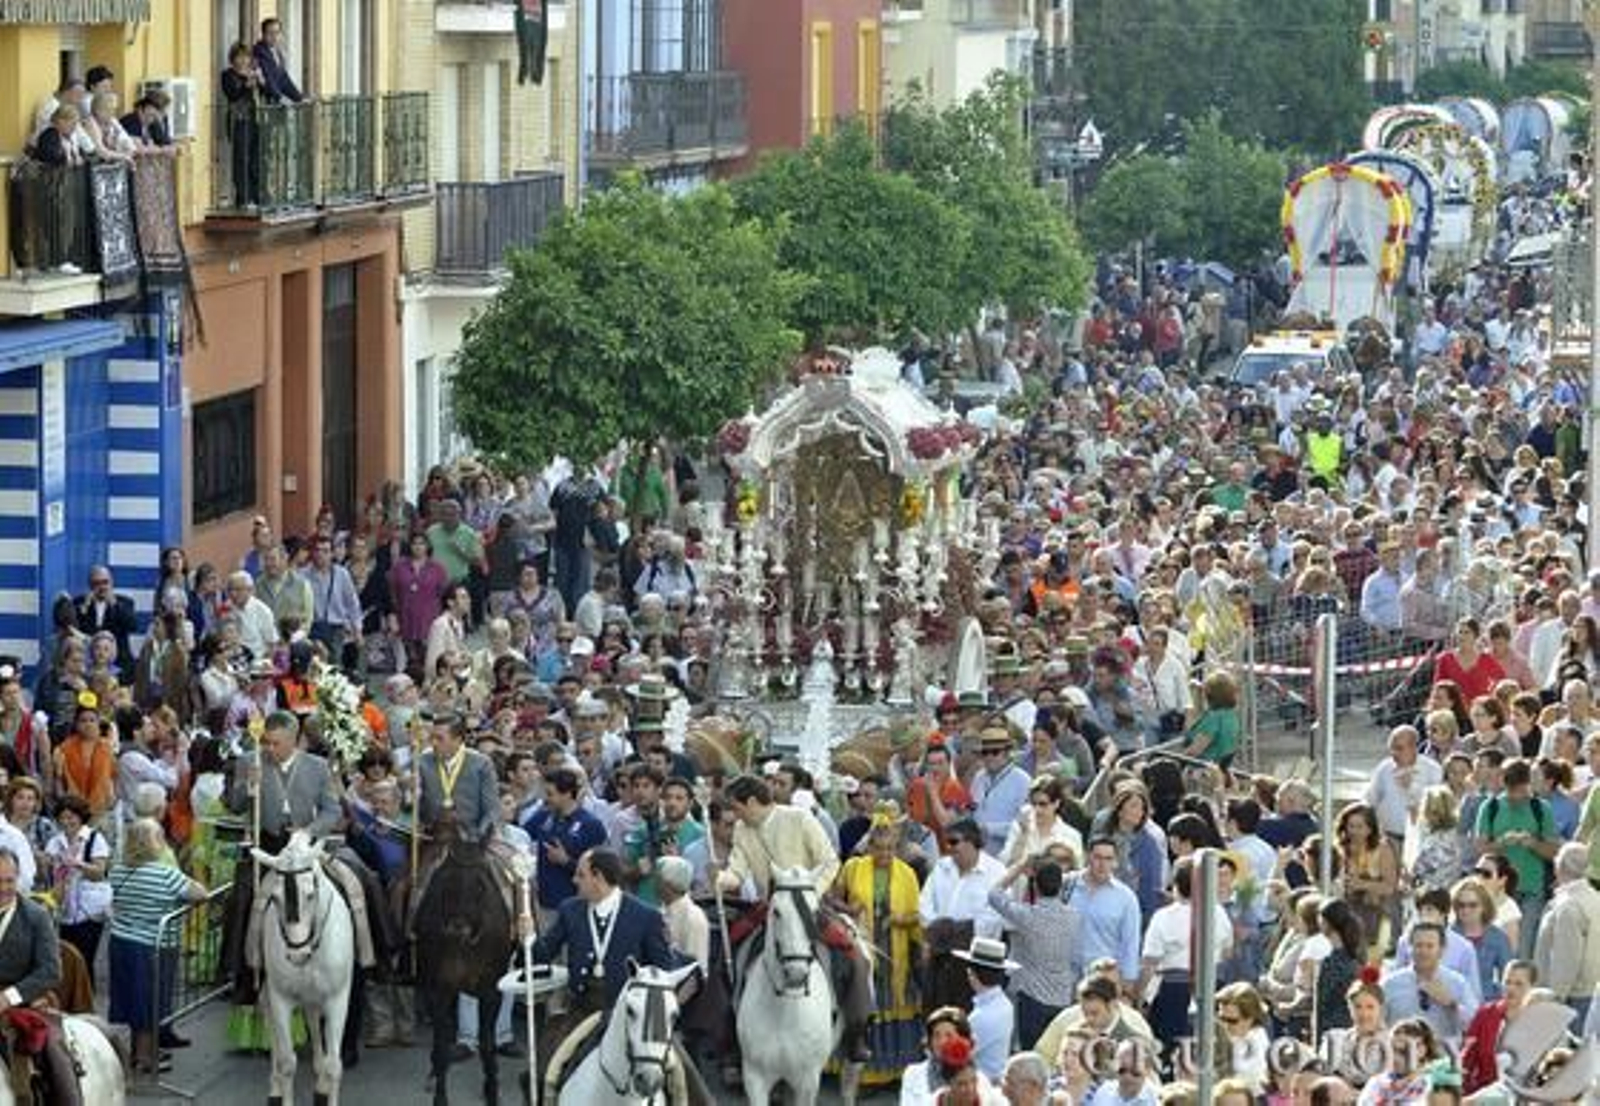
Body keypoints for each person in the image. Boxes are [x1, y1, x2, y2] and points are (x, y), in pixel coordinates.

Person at [527, 848, 678, 1073]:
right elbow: (543, 954)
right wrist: (528, 936)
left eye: (581, 875)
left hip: (629, 1016)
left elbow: (664, 971)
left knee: (673, 1074)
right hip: (581, 1013)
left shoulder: (646, 916)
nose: (574, 880)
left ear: (598, 877)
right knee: (545, 1071)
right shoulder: (570, 910)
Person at [828, 809, 924, 1085]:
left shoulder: (907, 874)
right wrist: (849, 909)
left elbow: (918, 915)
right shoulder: (853, 867)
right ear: (869, 847)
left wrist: (900, 920)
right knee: (861, 1002)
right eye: (879, 848)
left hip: (895, 949)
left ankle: (891, 1071)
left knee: (890, 1001)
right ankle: (861, 1074)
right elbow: (831, 898)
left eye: (890, 848)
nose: (885, 854)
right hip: (861, 946)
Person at [108, 820, 206, 1075]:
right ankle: (146, 1058)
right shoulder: (165, 874)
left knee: (134, 1001)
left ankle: (136, 1054)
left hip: (121, 941)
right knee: (152, 1002)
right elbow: (200, 894)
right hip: (154, 946)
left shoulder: (117, 871)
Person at [987, 855, 1077, 1049]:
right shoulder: (1074, 916)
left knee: (1031, 1053)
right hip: (1062, 997)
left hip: (1031, 997)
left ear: (1035, 886)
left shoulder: (1026, 915)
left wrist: (1020, 867)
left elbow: (994, 894)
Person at [920, 818, 1005, 1013]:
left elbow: (992, 920)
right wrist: (941, 933)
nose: (948, 847)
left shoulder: (996, 872)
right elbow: (924, 905)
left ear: (972, 842)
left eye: (954, 841)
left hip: (975, 963)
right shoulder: (941, 867)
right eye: (946, 842)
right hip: (940, 959)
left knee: (968, 1019)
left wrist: (945, 932)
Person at [1380, 921, 1478, 1051]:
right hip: (1401, 1056)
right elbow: (1377, 1025)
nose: (1423, 951)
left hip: (1443, 1057)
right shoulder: (1390, 984)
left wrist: (1451, 1003)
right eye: (1418, 945)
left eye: (1430, 946)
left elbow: (1476, 1024)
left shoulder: (1458, 983)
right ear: (1409, 948)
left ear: (1441, 950)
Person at [1531, 841, 1600, 1024]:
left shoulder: (1567, 907)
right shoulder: (1595, 898)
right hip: (1592, 992)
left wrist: (1554, 1000)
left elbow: (1566, 959)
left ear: (1558, 867)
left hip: (1575, 998)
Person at [952, 935, 1016, 1083]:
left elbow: (955, 1057)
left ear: (972, 975)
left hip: (980, 1085)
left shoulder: (982, 1017)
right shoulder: (1005, 1004)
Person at [76, 566, 136, 674]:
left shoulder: (125, 602)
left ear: (112, 583)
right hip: (89, 663)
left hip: (119, 662)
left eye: (105, 582)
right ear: (90, 585)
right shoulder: (80, 603)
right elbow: (76, 630)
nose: (102, 587)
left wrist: (115, 605)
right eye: (97, 583)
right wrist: (84, 608)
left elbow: (132, 626)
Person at [251, 17, 304, 104]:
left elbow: (284, 79)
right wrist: (280, 98)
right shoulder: (259, 51)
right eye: (270, 33)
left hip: (277, 100)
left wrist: (299, 98)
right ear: (263, 34)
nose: (274, 36)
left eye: (277, 32)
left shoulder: (277, 52)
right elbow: (267, 79)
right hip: (267, 101)